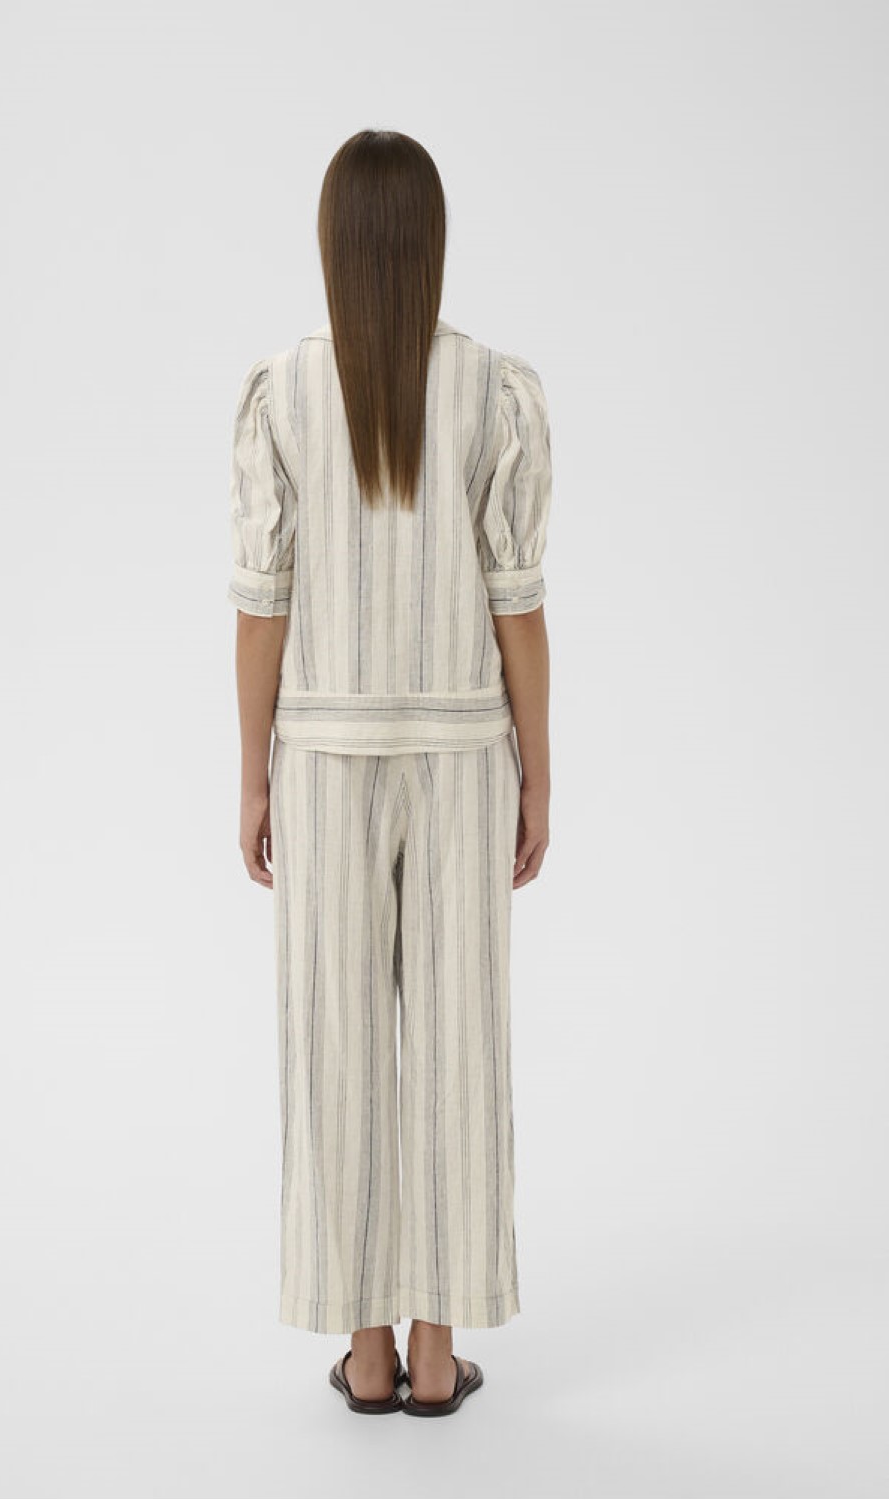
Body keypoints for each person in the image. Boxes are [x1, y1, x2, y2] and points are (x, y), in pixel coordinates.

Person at [228, 129, 552, 1417]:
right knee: (461, 1044)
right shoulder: (492, 391)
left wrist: (251, 774)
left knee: (338, 1045)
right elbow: (518, 601)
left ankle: (363, 1352)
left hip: (320, 753)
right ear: (431, 244)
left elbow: (261, 604)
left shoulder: (283, 392)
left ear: (331, 243)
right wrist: (540, 774)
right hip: (465, 753)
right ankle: (433, 1351)